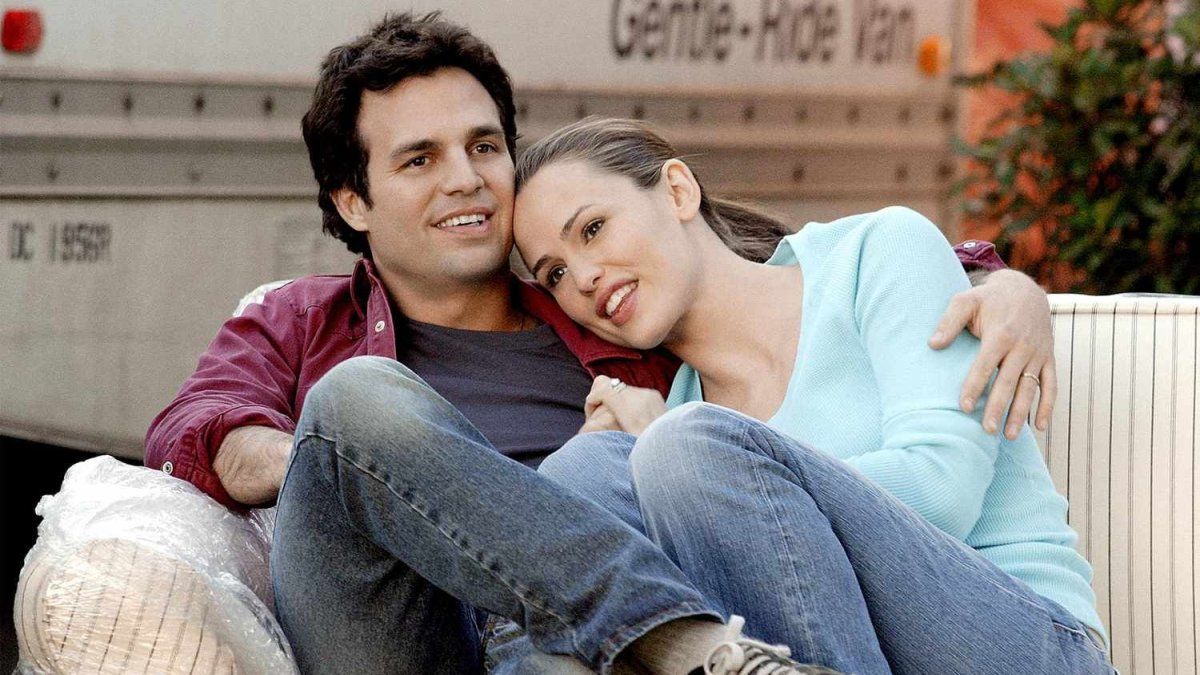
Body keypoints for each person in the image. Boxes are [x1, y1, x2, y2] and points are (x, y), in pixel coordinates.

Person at [144, 12, 1060, 675]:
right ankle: (680, 639)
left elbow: (756, 273)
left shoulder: (602, 316)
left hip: (566, 651)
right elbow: (190, 427)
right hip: (404, 636)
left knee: (592, 472)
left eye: (484, 146)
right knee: (354, 400)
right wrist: (364, 464)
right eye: (420, 159)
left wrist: (1004, 286)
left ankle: (659, 638)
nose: (466, 179)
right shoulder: (305, 320)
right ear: (354, 201)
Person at [509, 117, 1113, 674]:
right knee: (579, 471)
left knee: (682, 447)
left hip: (1026, 642)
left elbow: (942, 488)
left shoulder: (875, 251)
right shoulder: (686, 418)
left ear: (677, 191)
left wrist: (714, 469)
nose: (583, 277)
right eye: (554, 273)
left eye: (593, 229)